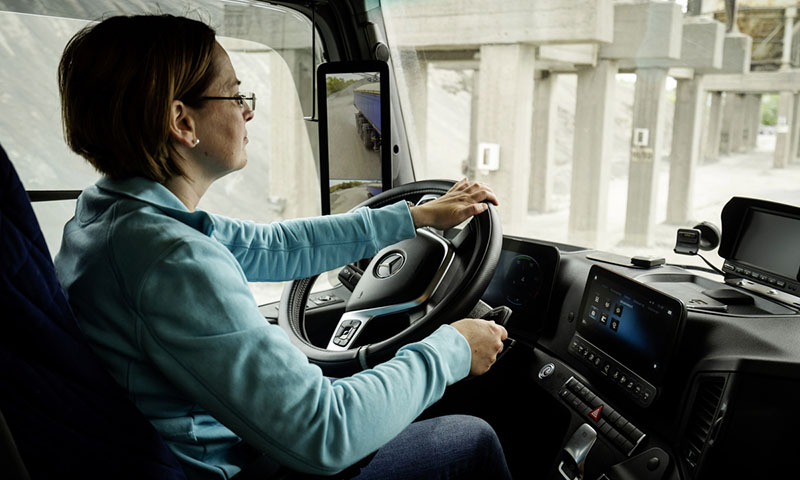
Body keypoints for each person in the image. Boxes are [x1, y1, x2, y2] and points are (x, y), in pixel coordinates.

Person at [54, 14, 511, 480]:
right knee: (470, 441)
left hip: (210, 448)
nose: (246, 110)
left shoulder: (115, 214)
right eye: (234, 95)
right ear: (182, 121)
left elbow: (271, 246)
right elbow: (326, 432)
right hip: (230, 468)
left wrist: (412, 216)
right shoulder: (170, 260)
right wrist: (452, 349)